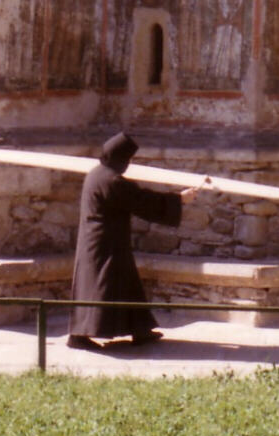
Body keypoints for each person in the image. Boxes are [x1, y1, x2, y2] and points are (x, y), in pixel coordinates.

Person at [68, 132, 199, 351]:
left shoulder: (97, 174)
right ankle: (79, 335)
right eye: (127, 161)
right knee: (98, 287)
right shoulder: (111, 180)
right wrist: (180, 199)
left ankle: (140, 330)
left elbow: (135, 197)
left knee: (125, 283)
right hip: (105, 245)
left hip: (104, 241)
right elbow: (142, 201)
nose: (128, 165)